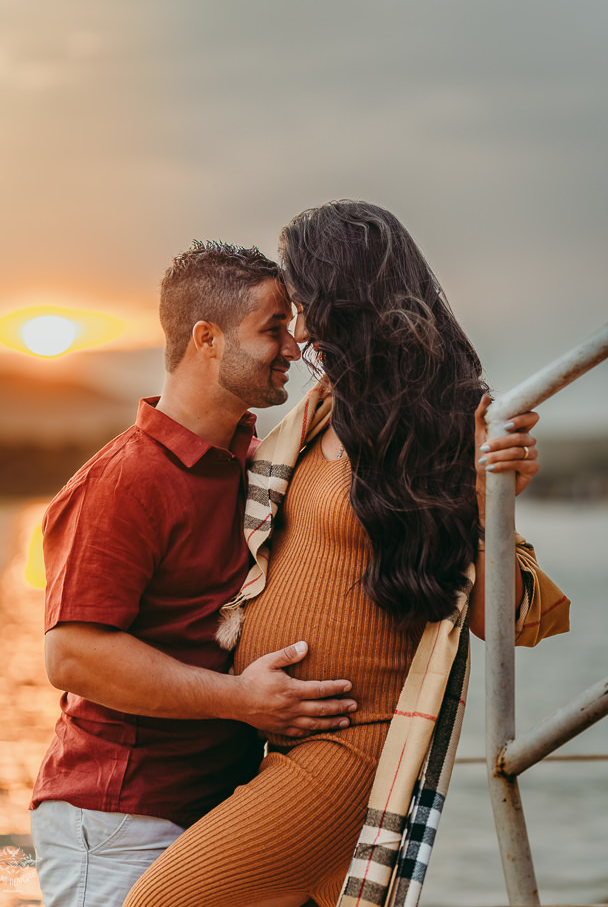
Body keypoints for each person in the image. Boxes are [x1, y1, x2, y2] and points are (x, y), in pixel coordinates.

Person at [124, 202, 570, 907]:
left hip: (353, 740)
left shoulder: (452, 419)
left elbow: (501, 622)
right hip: (282, 742)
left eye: (301, 307)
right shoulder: (327, 408)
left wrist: (492, 497)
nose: (296, 336)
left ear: (345, 298)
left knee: (158, 902)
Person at [30, 241, 359, 907]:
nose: (291, 348)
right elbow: (72, 655)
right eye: (273, 329)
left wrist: (498, 460)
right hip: (121, 823)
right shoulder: (124, 480)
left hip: (221, 812)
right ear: (207, 340)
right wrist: (242, 699)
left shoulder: (258, 459)